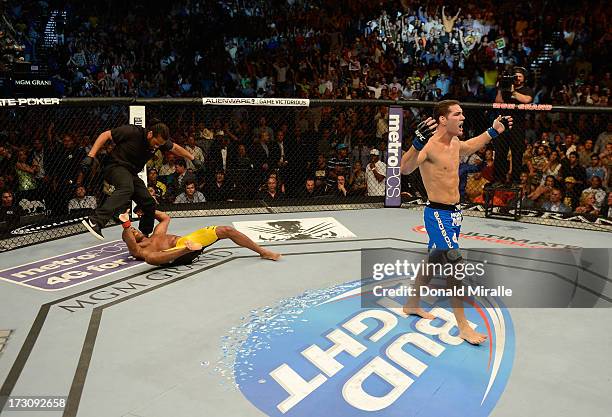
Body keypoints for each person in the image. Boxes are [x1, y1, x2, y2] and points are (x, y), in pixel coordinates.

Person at [400, 99, 512, 345]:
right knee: (454, 262)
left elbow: (470, 145)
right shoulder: (428, 147)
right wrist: (415, 144)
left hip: (454, 214)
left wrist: (493, 131)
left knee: (433, 260)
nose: (463, 118)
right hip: (437, 213)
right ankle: (463, 326)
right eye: (457, 114)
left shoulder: (454, 143)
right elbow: (405, 169)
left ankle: (412, 303)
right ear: (442, 119)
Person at [81, 120, 200, 240]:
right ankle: (95, 220)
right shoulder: (132, 132)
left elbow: (174, 147)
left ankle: (144, 235)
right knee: (126, 187)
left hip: (131, 173)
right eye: (156, 143)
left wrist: (193, 159)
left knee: (149, 202)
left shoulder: (159, 140)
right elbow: (106, 135)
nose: (157, 146)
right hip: (115, 166)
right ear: (150, 134)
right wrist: (90, 156)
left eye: (160, 145)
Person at [119, 209, 280, 266]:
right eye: (131, 232)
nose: (134, 231)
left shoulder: (157, 234)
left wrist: (147, 208)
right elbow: (131, 245)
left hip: (186, 242)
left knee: (226, 230)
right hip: (176, 255)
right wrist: (126, 226)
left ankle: (262, 251)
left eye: (134, 228)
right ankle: (185, 249)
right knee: (151, 258)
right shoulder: (140, 249)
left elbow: (165, 218)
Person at [494, 67, 533, 184]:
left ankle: (515, 180)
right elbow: (498, 102)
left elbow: (527, 100)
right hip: (503, 124)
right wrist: (501, 88)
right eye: (515, 76)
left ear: (524, 79)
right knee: (500, 153)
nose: (517, 78)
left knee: (517, 154)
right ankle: (499, 179)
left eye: (519, 76)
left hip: (518, 125)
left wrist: (513, 92)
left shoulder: (527, 90)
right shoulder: (505, 89)